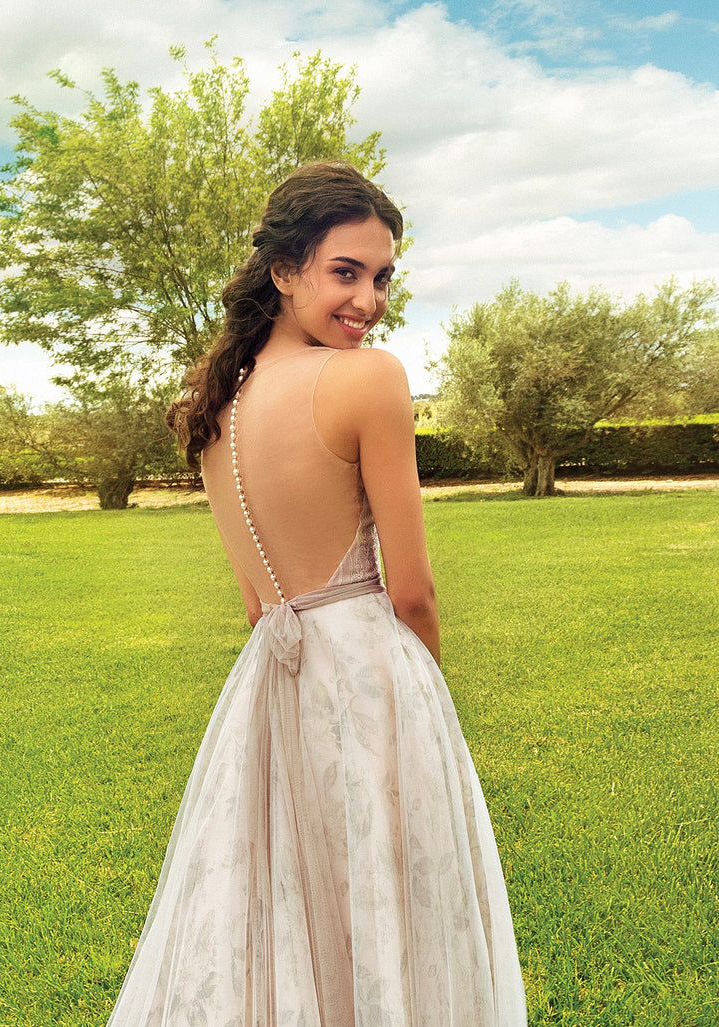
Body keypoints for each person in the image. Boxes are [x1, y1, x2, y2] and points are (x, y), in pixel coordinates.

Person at [106, 161, 527, 1025]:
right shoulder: (366, 379)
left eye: (381, 278)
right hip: (372, 677)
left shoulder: (213, 404)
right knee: (388, 906)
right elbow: (411, 591)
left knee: (282, 909)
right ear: (284, 270)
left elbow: (257, 603)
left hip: (271, 687)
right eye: (346, 272)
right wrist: (429, 707)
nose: (369, 301)